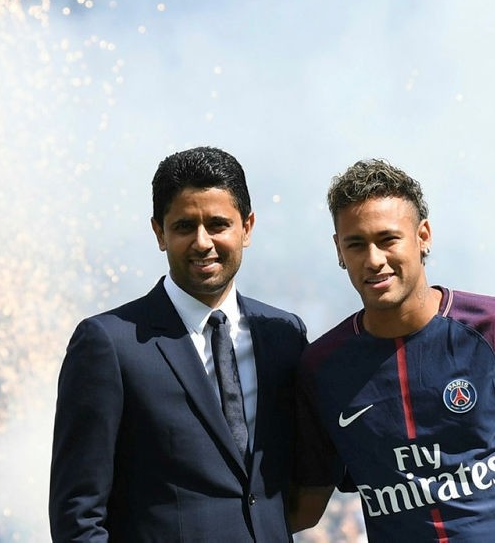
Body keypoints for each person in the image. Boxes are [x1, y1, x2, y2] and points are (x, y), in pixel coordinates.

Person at [292, 159, 495, 541]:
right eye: (356, 244)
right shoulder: (322, 368)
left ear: (423, 235)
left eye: (388, 239)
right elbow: (308, 503)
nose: (374, 259)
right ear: (339, 251)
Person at [49, 146, 309, 542]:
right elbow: (78, 515)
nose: (203, 242)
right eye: (185, 226)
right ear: (159, 232)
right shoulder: (109, 344)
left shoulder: (284, 335)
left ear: (248, 227)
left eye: (218, 224)